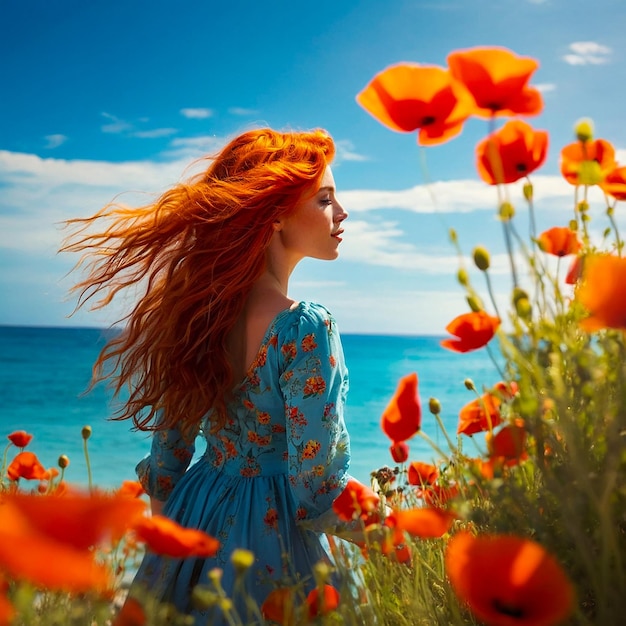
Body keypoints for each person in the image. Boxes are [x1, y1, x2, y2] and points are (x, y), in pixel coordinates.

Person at [63, 128, 361, 624]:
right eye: (325, 198)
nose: (342, 212)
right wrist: (407, 532)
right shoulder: (307, 326)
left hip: (195, 512)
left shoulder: (199, 315)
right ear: (276, 214)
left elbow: (167, 458)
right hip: (276, 538)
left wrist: (172, 560)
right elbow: (316, 487)